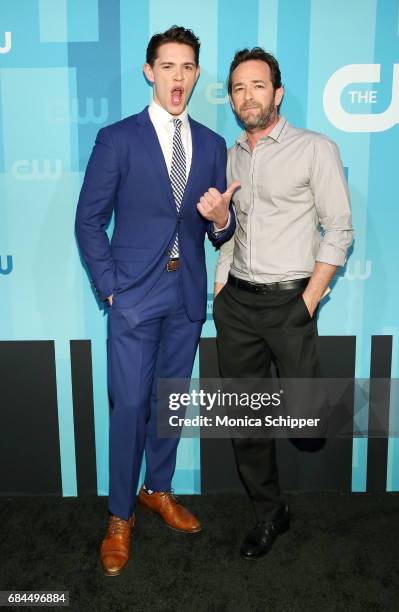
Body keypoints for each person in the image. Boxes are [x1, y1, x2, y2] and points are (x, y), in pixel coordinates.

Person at [75, 26, 236, 577]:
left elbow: (217, 229)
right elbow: (88, 221)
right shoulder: (117, 138)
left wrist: (222, 220)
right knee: (131, 407)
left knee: (170, 402)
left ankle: (157, 489)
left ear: (196, 75)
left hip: (186, 294)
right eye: (167, 66)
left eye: (187, 67)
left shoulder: (214, 145)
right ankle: (120, 517)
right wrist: (111, 286)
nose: (178, 76)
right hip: (135, 297)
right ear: (150, 71)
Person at [213, 48, 353, 560]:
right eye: (238, 88)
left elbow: (339, 229)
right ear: (230, 98)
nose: (247, 96)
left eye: (257, 86)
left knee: (306, 422)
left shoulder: (316, 148)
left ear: (277, 92)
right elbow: (229, 228)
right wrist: (221, 284)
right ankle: (271, 514)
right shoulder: (229, 156)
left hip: (291, 304)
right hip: (238, 308)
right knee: (245, 422)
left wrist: (309, 301)